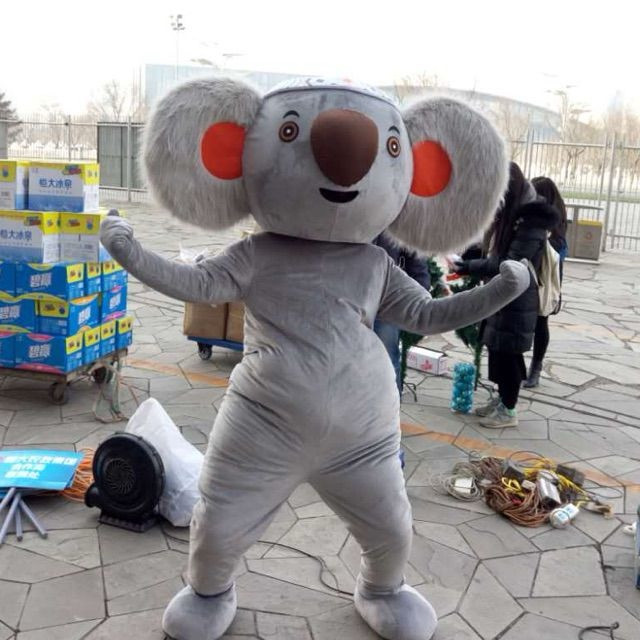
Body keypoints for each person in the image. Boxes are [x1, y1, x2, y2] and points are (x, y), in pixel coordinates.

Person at [453, 162, 559, 428]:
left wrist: (469, 267)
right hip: (501, 295)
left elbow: (508, 262)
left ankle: (509, 409)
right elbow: (492, 251)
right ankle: (502, 399)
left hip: (516, 299)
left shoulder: (531, 222)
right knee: (497, 350)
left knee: (509, 353)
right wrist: (468, 257)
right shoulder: (510, 216)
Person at [523, 176, 568, 387]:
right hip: (530, 274)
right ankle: (525, 368)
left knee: (541, 321)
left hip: (545, 280)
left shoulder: (555, 224)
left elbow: (558, 253)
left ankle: (536, 367)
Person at [373, 231, 431, 394]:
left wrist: (421, 295)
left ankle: (392, 406)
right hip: (350, 298)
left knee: (388, 359)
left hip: (385, 302)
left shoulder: (394, 219)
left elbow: (414, 253)